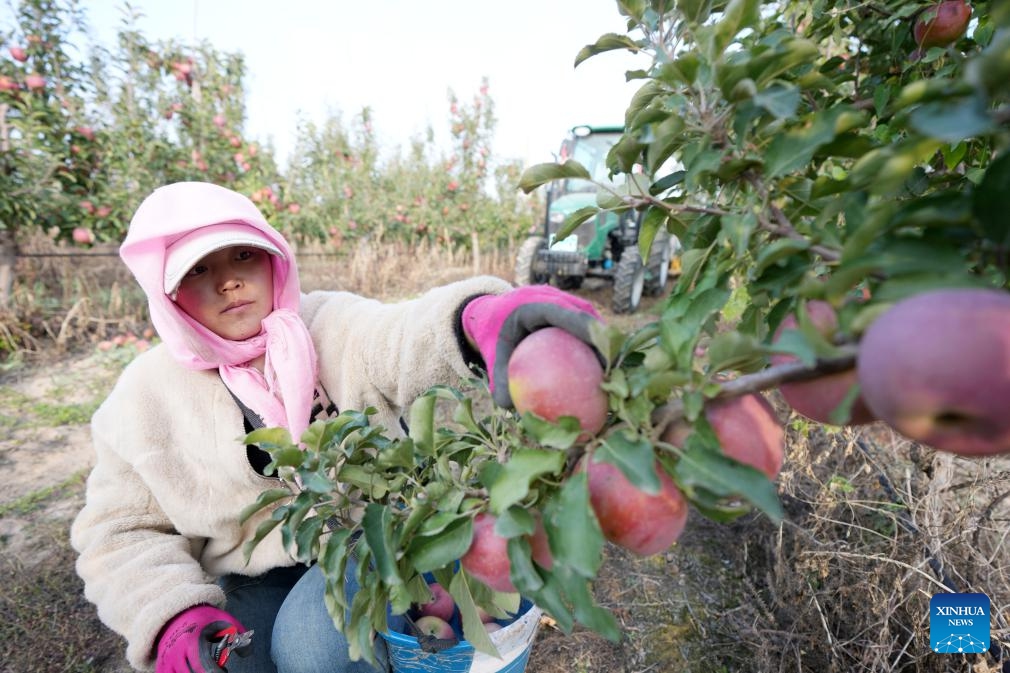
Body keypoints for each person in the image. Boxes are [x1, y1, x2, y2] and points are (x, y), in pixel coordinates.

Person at [70, 181, 601, 673]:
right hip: (253, 573)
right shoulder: (142, 398)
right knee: (234, 661)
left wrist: (471, 320)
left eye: (242, 255)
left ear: (273, 259)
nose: (229, 280)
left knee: (311, 650)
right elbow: (119, 531)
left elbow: (397, 337)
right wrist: (170, 616)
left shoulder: (325, 325)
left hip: (362, 538)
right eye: (196, 271)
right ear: (168, 297)